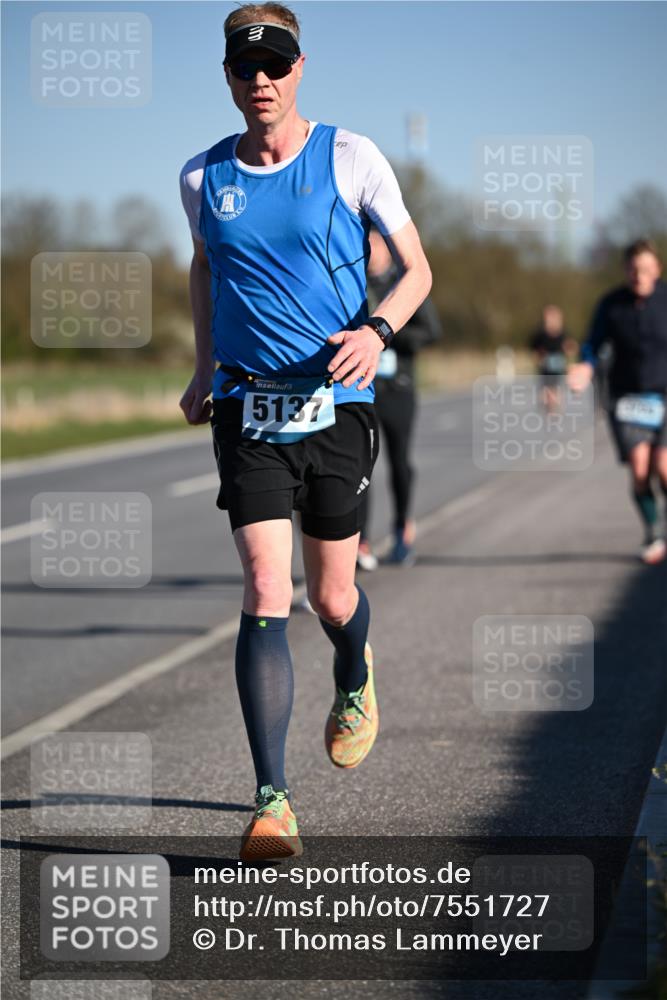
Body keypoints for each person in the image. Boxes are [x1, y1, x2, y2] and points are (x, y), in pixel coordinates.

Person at [178, 2, 432, 860]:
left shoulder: (350, 156)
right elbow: (205, 267)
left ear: (299, 67)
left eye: (275, 64)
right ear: (226, 75)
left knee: (331, 598)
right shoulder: (201, 176)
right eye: (244, 66)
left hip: (335, 402)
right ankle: (272, 802)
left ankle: (354, 671)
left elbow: (416, 270)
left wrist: (378, 331)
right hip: (246, 406)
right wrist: (202, 366)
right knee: (264, 587)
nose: (261, 80)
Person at [568, 239, 667, 564]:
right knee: (640, 469)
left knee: (664, 466)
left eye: (646, 269)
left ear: (657, 270)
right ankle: (653, 531)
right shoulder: (611, 305)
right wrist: (585, 366)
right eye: (634, 270)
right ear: (626, 270)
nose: (639, 276)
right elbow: (593, 344)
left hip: (665, 394)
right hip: (627, 398)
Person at [356, 229, 442, 570]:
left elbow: (431, 330)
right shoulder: (354, 280)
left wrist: (386, 333)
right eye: (366, 242)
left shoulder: (404, 282)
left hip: (398, 388)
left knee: (400, 462)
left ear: (388, 248)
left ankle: (402, 531)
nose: (370, 249)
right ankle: (360, 541)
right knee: (358, 466)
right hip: (361, 388)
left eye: (376, 243)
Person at [529, 305, 577, 414]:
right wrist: (539, 357)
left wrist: (569, 350)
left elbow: (571, 347)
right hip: (545, 366)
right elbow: (534, 349)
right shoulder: (540, 335)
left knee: (555, 387)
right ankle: (547, 407)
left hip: (558, 366)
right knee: (546, 388)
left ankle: (555, 408)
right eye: (549, 318)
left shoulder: (563, 334)